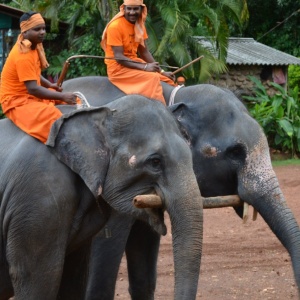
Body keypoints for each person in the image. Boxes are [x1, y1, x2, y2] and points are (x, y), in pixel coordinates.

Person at [0, 11, 77, 144]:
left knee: (77, 104)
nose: (42, 32)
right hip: (16, 101)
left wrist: (49, 85)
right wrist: (62, 96)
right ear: (24, 32)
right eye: (37, 29)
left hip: (29, 94)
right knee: (55, 118)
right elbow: (33, 89)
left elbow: (34, 74)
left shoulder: (34, 46)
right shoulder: (22, 54)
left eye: (43, 28)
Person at [101, 0, 177, 105]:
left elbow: (144, 52)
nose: (132, 12)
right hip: (118, 69)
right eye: (129, 9)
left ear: (141, 9)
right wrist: (145, 67)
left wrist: (162, 72)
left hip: (135, 64)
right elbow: (119, 57)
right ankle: (161, 111)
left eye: (135, 9)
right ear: (124, 9)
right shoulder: (115, 26)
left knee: (166, 79)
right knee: (153, 78)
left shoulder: (139, 25)